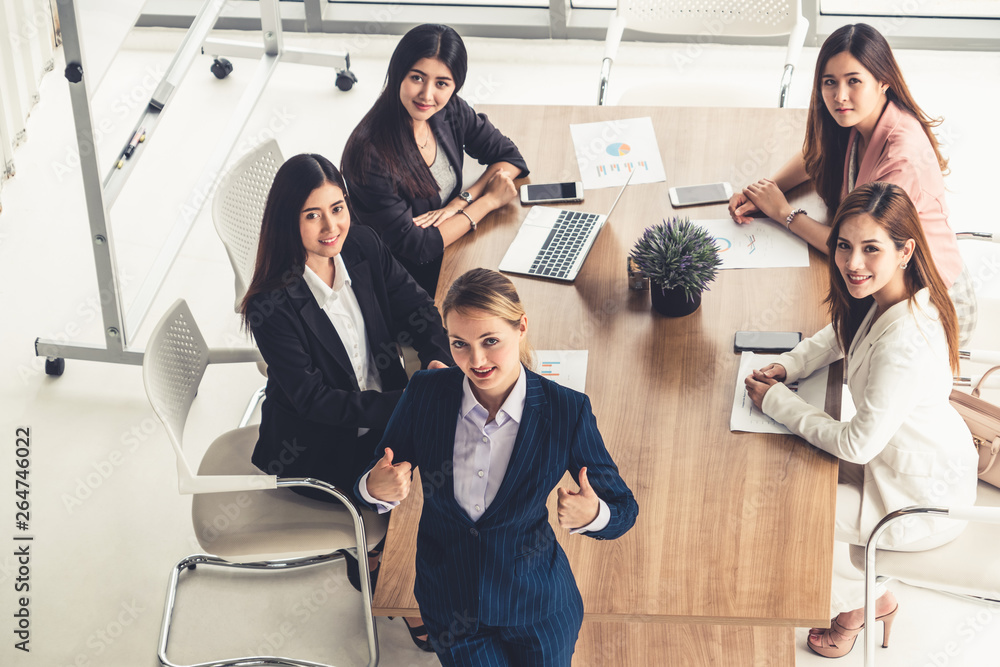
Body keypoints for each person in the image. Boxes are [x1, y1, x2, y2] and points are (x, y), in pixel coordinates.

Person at [355, 268, 638, 666]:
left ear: (521, 327)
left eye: (491, 341)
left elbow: (624, 509)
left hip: (538, 608)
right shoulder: (425, 393)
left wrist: (595, 514)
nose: (477, 360)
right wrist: (373, 487)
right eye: (460, 344)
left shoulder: (565, 411)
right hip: (452, 607)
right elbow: (371, 477)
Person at [744, 182, 978, 659]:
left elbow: (856, 445)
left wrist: (778, 403)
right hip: (901, 460)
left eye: (871, 249)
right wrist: (789, 366)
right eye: (845, 246)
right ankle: (874, 598)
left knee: (797, 512)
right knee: (789, 472)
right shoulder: (894, 291)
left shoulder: (905, 344)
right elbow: (840, 333)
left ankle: (858, 608)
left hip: (919, 499)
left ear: (904, 249)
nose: (853, 263)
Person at [239, 153, 452, 649]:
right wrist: (408, 405)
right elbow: (316, 401)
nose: (331, 226)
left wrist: (437, 360)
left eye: (338, 208)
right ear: (288, 223)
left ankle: (393, 564)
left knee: (458, 450)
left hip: (382, 413)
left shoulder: (360, 244)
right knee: (420, 477)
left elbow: (416, 306)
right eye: (312, 215)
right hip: (317, 445)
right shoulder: (271, 305)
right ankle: (404, 585)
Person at [728, 23, 976, 344]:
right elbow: (813, 155)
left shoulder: (902, 161)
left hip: (932, 304)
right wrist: (766, 191)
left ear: (883, 81)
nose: (839, 96)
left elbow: (851, 243)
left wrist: (784, 213)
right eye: (830, 83)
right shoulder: (860, 116)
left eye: (854, 81)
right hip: (884, 284)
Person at [341, 24, 528, 296]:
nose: (427, 95)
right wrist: (487, 201)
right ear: (397, 74)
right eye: (417, 78)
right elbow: (417, 248)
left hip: (453, 246)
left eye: (442, 83)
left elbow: (509, 157)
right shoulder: (369, 155)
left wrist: (460, 201)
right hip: (403, 278)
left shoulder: (449, 109)